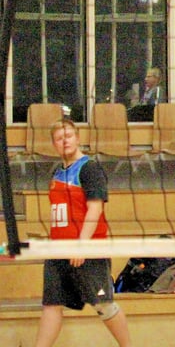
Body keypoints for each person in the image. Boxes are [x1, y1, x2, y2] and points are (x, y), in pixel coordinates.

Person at [35, 118, 133, 347]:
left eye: (68, 136)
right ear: (54, 145)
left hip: (87, 249)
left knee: (103, 305)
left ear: (77, 138)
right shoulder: (56, 173)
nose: (64, 141)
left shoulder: (89, 169)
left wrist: (81, 244)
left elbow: (95, 208)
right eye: (59, 138)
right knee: (51, 305)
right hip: (58, 250)